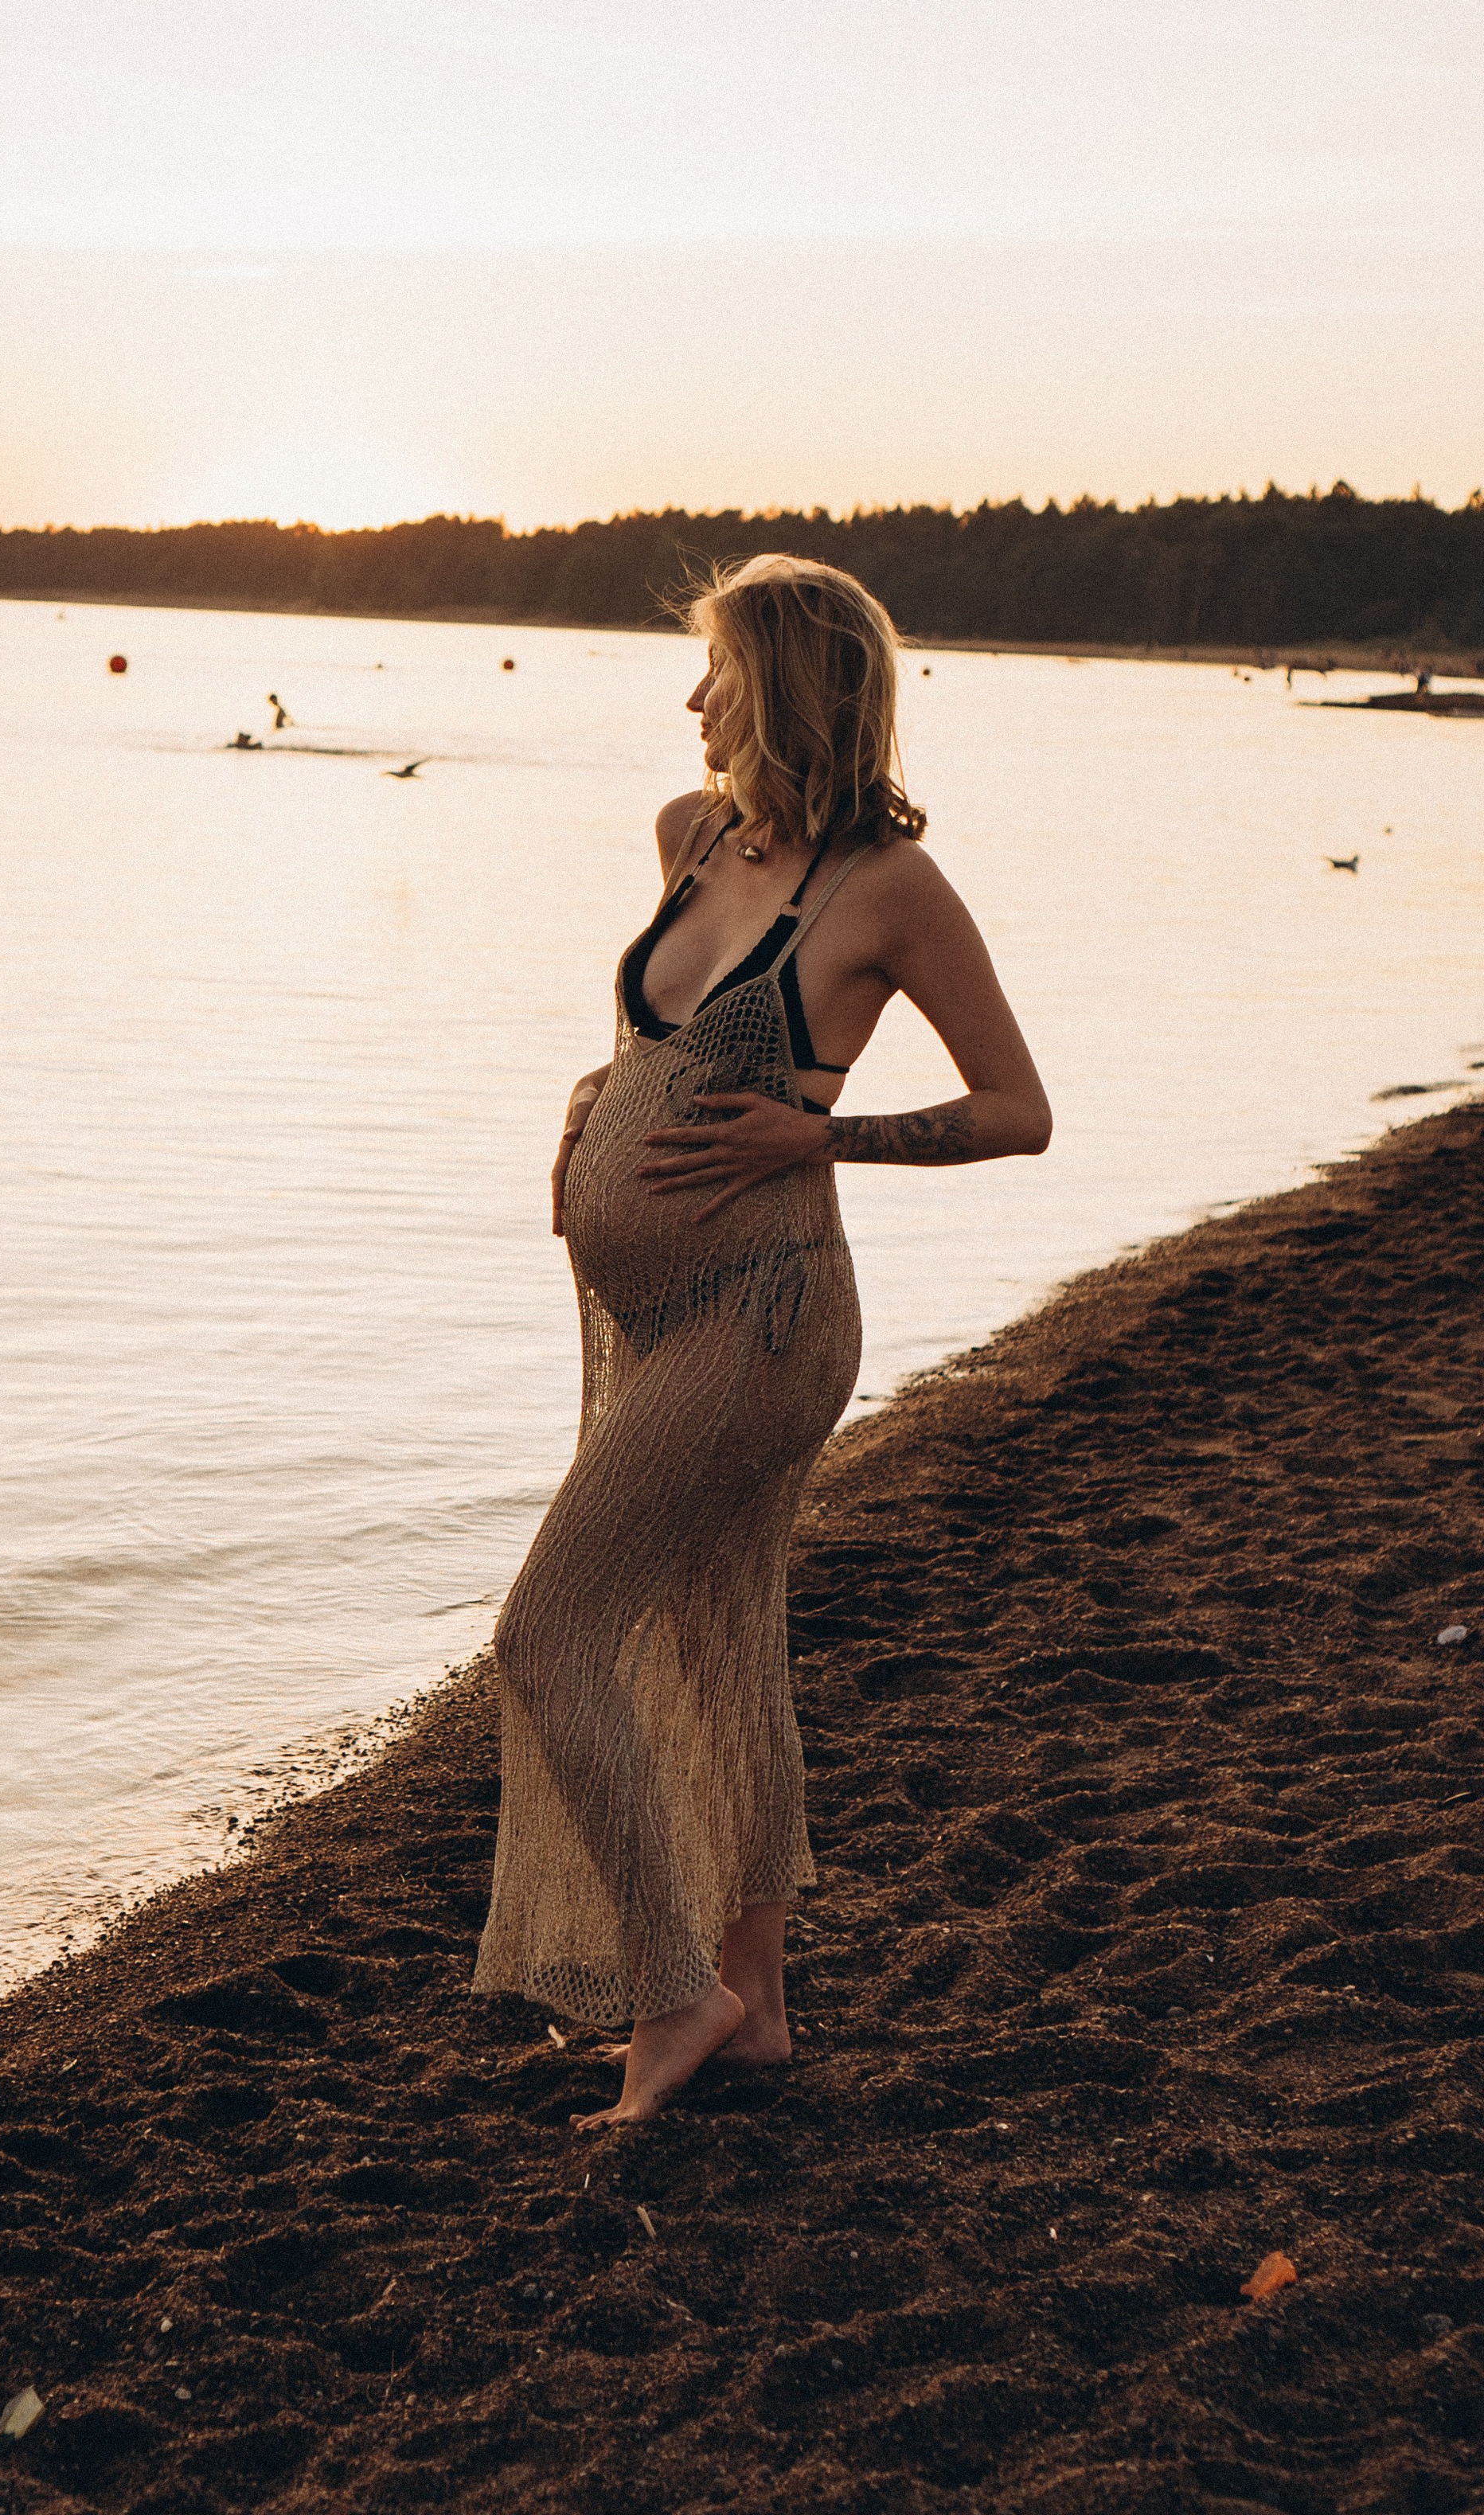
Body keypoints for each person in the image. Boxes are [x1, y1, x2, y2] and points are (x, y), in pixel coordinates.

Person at [472, 553, 1051, 2130]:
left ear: (785, 688)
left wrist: (821, 1137)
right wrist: (590, 1103)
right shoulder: (690, 834)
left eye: (715, 671)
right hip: (657, 1313)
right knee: (725, 1648)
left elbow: (1018, 1110)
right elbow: (654, 1043)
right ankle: (759, 2010)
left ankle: (675, 1993)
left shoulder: (889, 891)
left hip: (768, 1316)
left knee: (545, 1639)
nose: (691, 700)